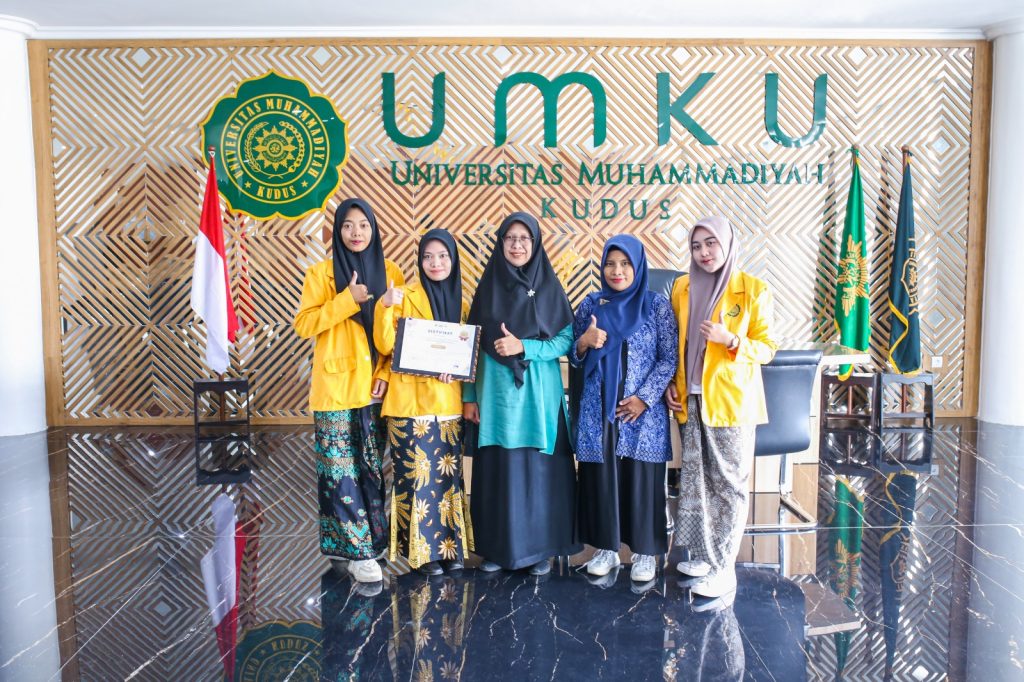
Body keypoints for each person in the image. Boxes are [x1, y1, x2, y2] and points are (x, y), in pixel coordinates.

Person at [665, 215, 777, 607]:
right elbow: (675, 343)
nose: (704, 252)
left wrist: (732, 340)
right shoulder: (682, 288)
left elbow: (768, 348)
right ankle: (704, 556)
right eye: (696, 246)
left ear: (727, 244)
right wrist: (671, 385)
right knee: (697, 481)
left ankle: (724, 568)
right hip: (691, 398)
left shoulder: (753, 290)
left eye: (711, 243)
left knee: (728, 486)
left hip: (732, 403)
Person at [293, 198, 404, 583]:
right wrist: (345, 301)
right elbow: (304, 325)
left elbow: (399, 333)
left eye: (363, 225)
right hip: (336, 389)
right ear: (337, 231)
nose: (356, 233)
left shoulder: (391, 272)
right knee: (340, 471)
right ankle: (359, 553)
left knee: (371, 469)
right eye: (347, 225)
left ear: (374, 230)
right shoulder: (320, 274)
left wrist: (386, 373)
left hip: (375, 390)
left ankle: (368, 540)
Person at [463, 212, 581, 576]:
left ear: (535, 243)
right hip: (496, 397)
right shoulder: (487, 288)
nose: (517, 245)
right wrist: (468, 395)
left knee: (537, 472)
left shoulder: (548, 286)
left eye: (524, 239)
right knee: (500, 472)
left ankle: (539, 550)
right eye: (510, 238)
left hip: (538, 397)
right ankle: (497, 550)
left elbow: (566, 339)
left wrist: (524, 347)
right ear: (501, 243)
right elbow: (470, 345)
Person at [570, 235, 678, 583]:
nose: (617, 271)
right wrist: (584, 342)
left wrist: (644, 398)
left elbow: (668, 359)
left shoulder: (656, 306)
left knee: (642, 480)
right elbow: (574, 355)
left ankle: (645, 553)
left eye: (625, 264)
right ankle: (606, 548)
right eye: (610, 264)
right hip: (599, 409)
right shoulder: (591, 304)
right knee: (603, 480)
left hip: (642, 412)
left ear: (638, 266)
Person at [374, 228, 473, 576]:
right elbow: (386, 345)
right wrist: (385, 306)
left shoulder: (463, 303)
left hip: (447, 404)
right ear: (420, 261)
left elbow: (468, 355)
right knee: (415, 482)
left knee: (447, 480)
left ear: (453, 260)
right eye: (428, 257)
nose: (435, 263)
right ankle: (423, 554)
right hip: (409, 403)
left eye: (442, 256)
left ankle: (450, 548)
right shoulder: (403, 296)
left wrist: (458, 370)